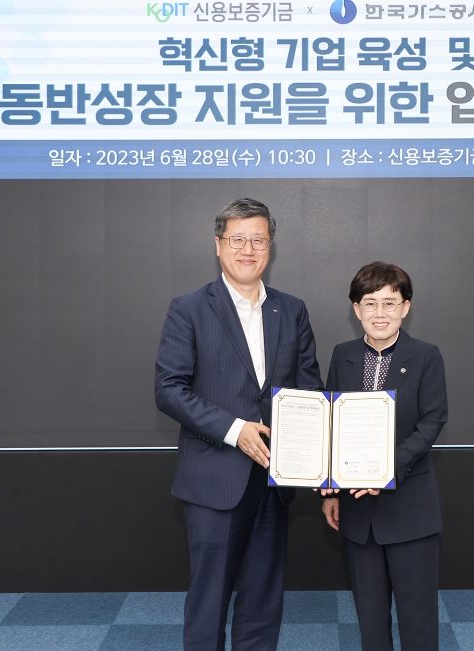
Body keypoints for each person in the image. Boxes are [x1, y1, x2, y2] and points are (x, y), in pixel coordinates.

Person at [155, 198, 321, 651]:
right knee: (208, 603)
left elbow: (308, 390)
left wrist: (320, 460)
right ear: (218, 244)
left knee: (263, 602)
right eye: (238, 239)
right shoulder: (189, 308)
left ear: (270, 246)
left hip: (275, 481)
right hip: (214, 481)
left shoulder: (292, 309)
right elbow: (169, 389)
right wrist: (235, 429)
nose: (248, 249)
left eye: (259, 240)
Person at [321, 261, 448, 651]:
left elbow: (432, 422)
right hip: (357, 513)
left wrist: (384, 469)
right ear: (356, 309)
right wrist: (329, 489)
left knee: (417, 622)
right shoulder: (343, 355)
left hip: (410, 509)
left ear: (405, 308)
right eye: (370, 303)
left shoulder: (426, 355)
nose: (380, 313)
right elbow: (330, 424)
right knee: (371, 623)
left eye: (390, 303)